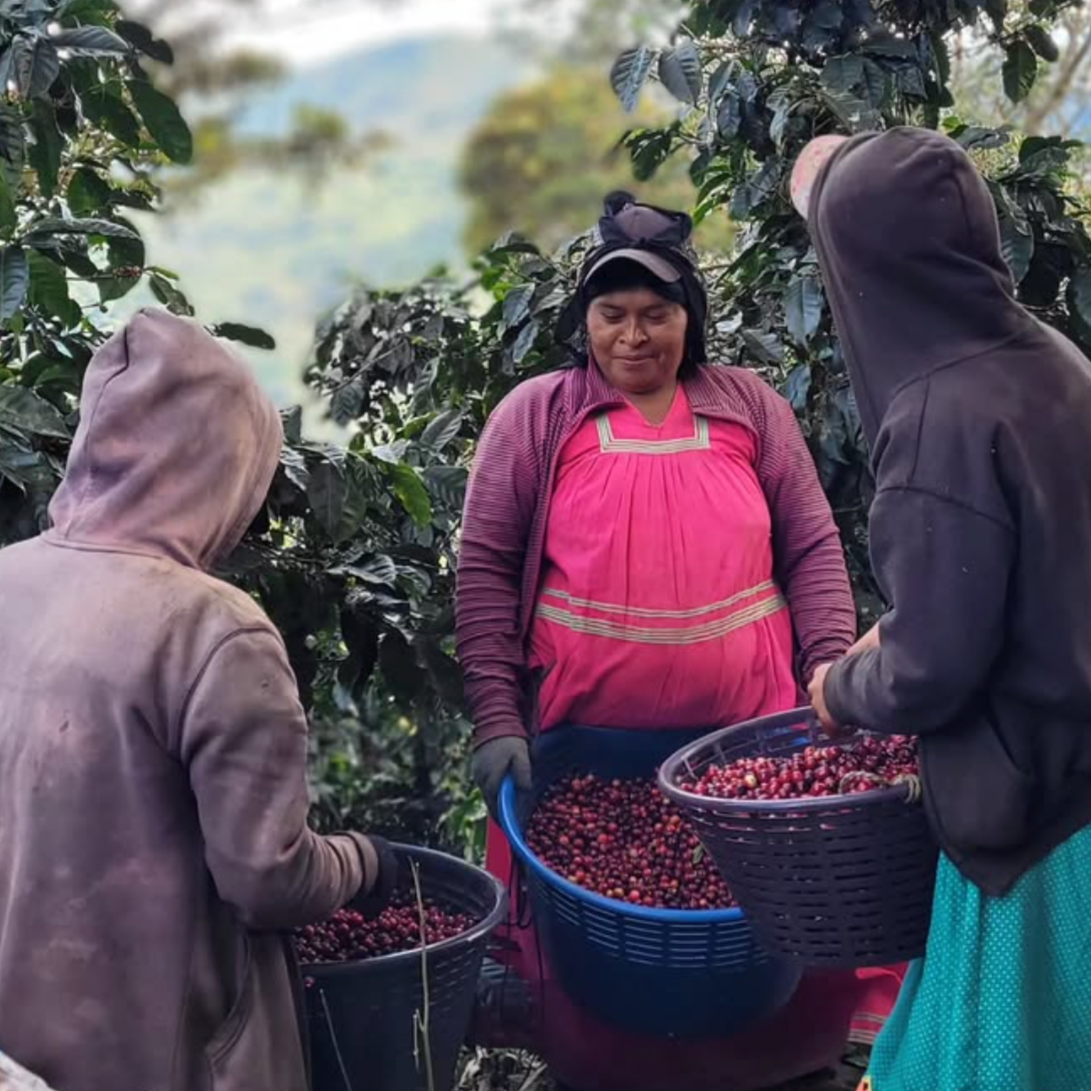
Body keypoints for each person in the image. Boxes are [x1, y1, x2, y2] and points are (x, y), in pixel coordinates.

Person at [457, 192, 904, 1091]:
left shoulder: (748, 408)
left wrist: (825, 672)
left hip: (743, 755)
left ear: (689, 319)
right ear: (582, 320)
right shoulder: (538, 417)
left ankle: (780, 1072)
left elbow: (811, 546)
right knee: (607, 980)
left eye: (656, 314)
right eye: (611, 314)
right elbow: (484, 571)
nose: (633, 335)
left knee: (759, 946)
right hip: (585, 751)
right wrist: (498, 716)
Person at [0, 310, 395, 1091]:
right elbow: (268, 878)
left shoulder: (8, 574)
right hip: (162, 1055)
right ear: (229, 467)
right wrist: (363, 863)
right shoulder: (215, 630)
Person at [799, 127, 1091, 1091]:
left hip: (1025, 816)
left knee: (983, 1058)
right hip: (1079, 779)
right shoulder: (1051, 356)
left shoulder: (934, 416)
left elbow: (932, 664)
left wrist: (843, 684)